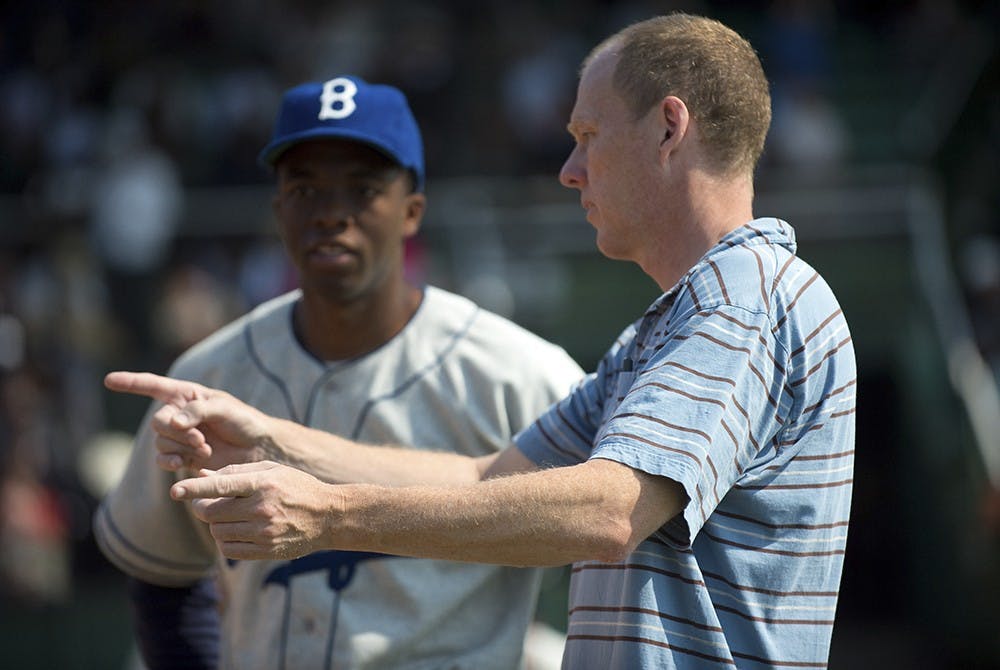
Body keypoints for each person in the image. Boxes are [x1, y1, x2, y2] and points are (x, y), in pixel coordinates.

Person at [106, 13, 857, 668]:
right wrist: (275, 439)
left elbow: (607, 514)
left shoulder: (744, 297)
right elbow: (482, 480)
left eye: (588, 136)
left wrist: (326, 516)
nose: (568, 171)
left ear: (669, 128)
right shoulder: (666, 326)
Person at [94, 75, 585, 669]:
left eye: (362, 189)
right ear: (278, 209)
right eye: (305, 190)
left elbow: (605, 546)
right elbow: (162, 578)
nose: (331, 214)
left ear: (411, 211)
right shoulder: (207, 375)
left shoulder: (522, 374)